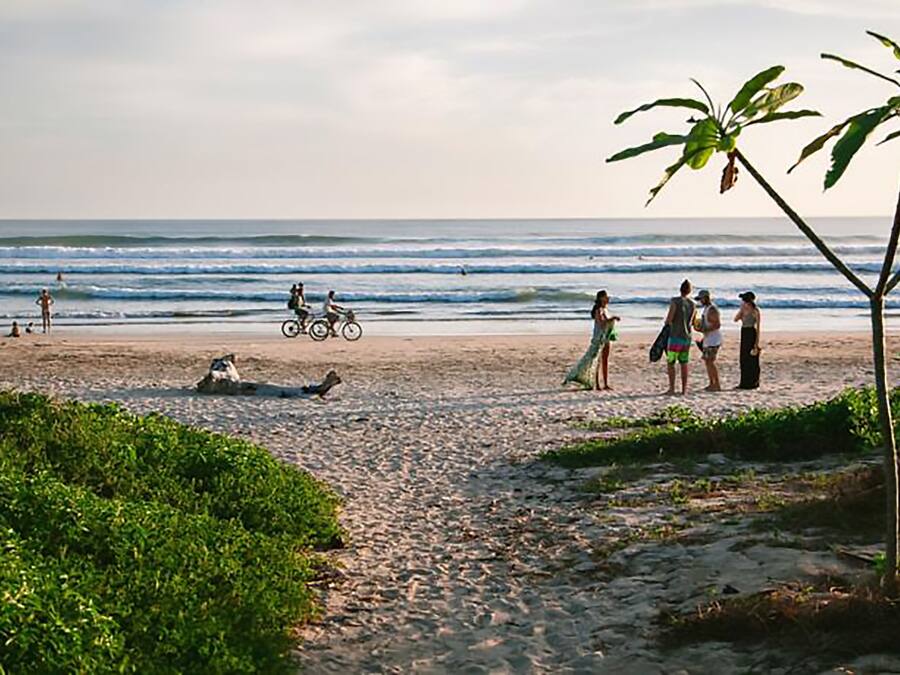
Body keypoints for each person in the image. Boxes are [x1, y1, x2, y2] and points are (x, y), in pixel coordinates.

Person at [564, 290, 620, 390]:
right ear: (601, 298)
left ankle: (605, 383)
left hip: (605, 337)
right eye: (606, 297)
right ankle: (597, 384)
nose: (608, 298)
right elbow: (602, 323)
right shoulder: (598, 310)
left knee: (605, 360)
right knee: (597, 361)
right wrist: (612, 319)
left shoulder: (605, 309)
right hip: (599, 338)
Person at [664, 279, 696, 395]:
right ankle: (684, 389)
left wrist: (667, 323)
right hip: (686, 336)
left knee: (671, 362)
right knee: (684, 363)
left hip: (675, 336)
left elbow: (669, 319)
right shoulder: (693, 304)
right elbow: (692, 321)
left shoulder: (675, 301)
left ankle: (672, 388)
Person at [694, 289, 722, 392]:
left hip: (713, 340)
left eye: (701, 299)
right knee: (707, 362)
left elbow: (717, 325)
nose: (700, 301)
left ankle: (717, 384)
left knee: (710, 362)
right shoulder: (706, 309)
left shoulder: (712, 309)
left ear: (706, 298)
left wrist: (704, 330)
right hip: (708, 339)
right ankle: (712, 383)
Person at [734, 291, 762, 389]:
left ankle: (753, 382)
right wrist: (741, 311)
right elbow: (735, 319)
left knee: (752, 359)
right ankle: (744, 382)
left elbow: (758, 328)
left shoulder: (755, 311)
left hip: (751, 332)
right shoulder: (743, 309)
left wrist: (756, 343)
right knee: (744, 358)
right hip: (744, 331)